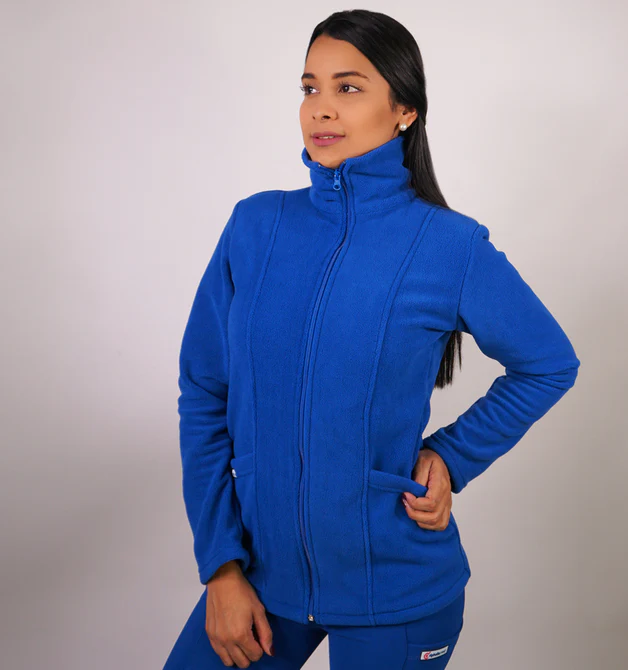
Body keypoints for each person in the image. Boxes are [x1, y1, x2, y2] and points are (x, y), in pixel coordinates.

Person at [163, 9, 580, 670]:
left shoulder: (449, 246)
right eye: (310, 88)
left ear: (404, 110)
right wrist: (220, 565)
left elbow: (549, 363)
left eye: (349, 87)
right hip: (259, 579)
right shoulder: (255, 226)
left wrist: (451, 456)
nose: (321, 108)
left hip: (398, 592)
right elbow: (204, 393)